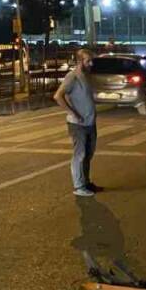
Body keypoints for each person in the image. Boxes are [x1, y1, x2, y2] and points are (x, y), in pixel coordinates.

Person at [54, 49, 99, 197]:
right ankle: (79, 186)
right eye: (88, 61)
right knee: (79, 155)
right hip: (78, 124)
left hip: (90, 123)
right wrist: (73, 113)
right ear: (80, 61)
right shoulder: (72, 77)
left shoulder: (86, 76)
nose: (91, 63)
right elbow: (58, 96)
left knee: (88, 154)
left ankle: (86, 182)